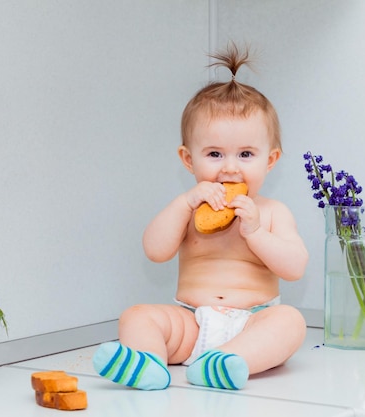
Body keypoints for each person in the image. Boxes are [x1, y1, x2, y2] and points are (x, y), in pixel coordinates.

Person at [92, 43, 309, 391]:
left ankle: (228, 362)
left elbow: (295, 267)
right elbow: (155, 250)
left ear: (270, 160)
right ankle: (149, 365)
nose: (229, 167)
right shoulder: (188, 208)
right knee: (137, 316)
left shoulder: (271, 213)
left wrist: (255, 233)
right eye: (214, 153)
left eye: (246, 154)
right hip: (192, 323)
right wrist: (183, 204)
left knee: (290, 322)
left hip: (252, 324)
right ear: (188, 160)